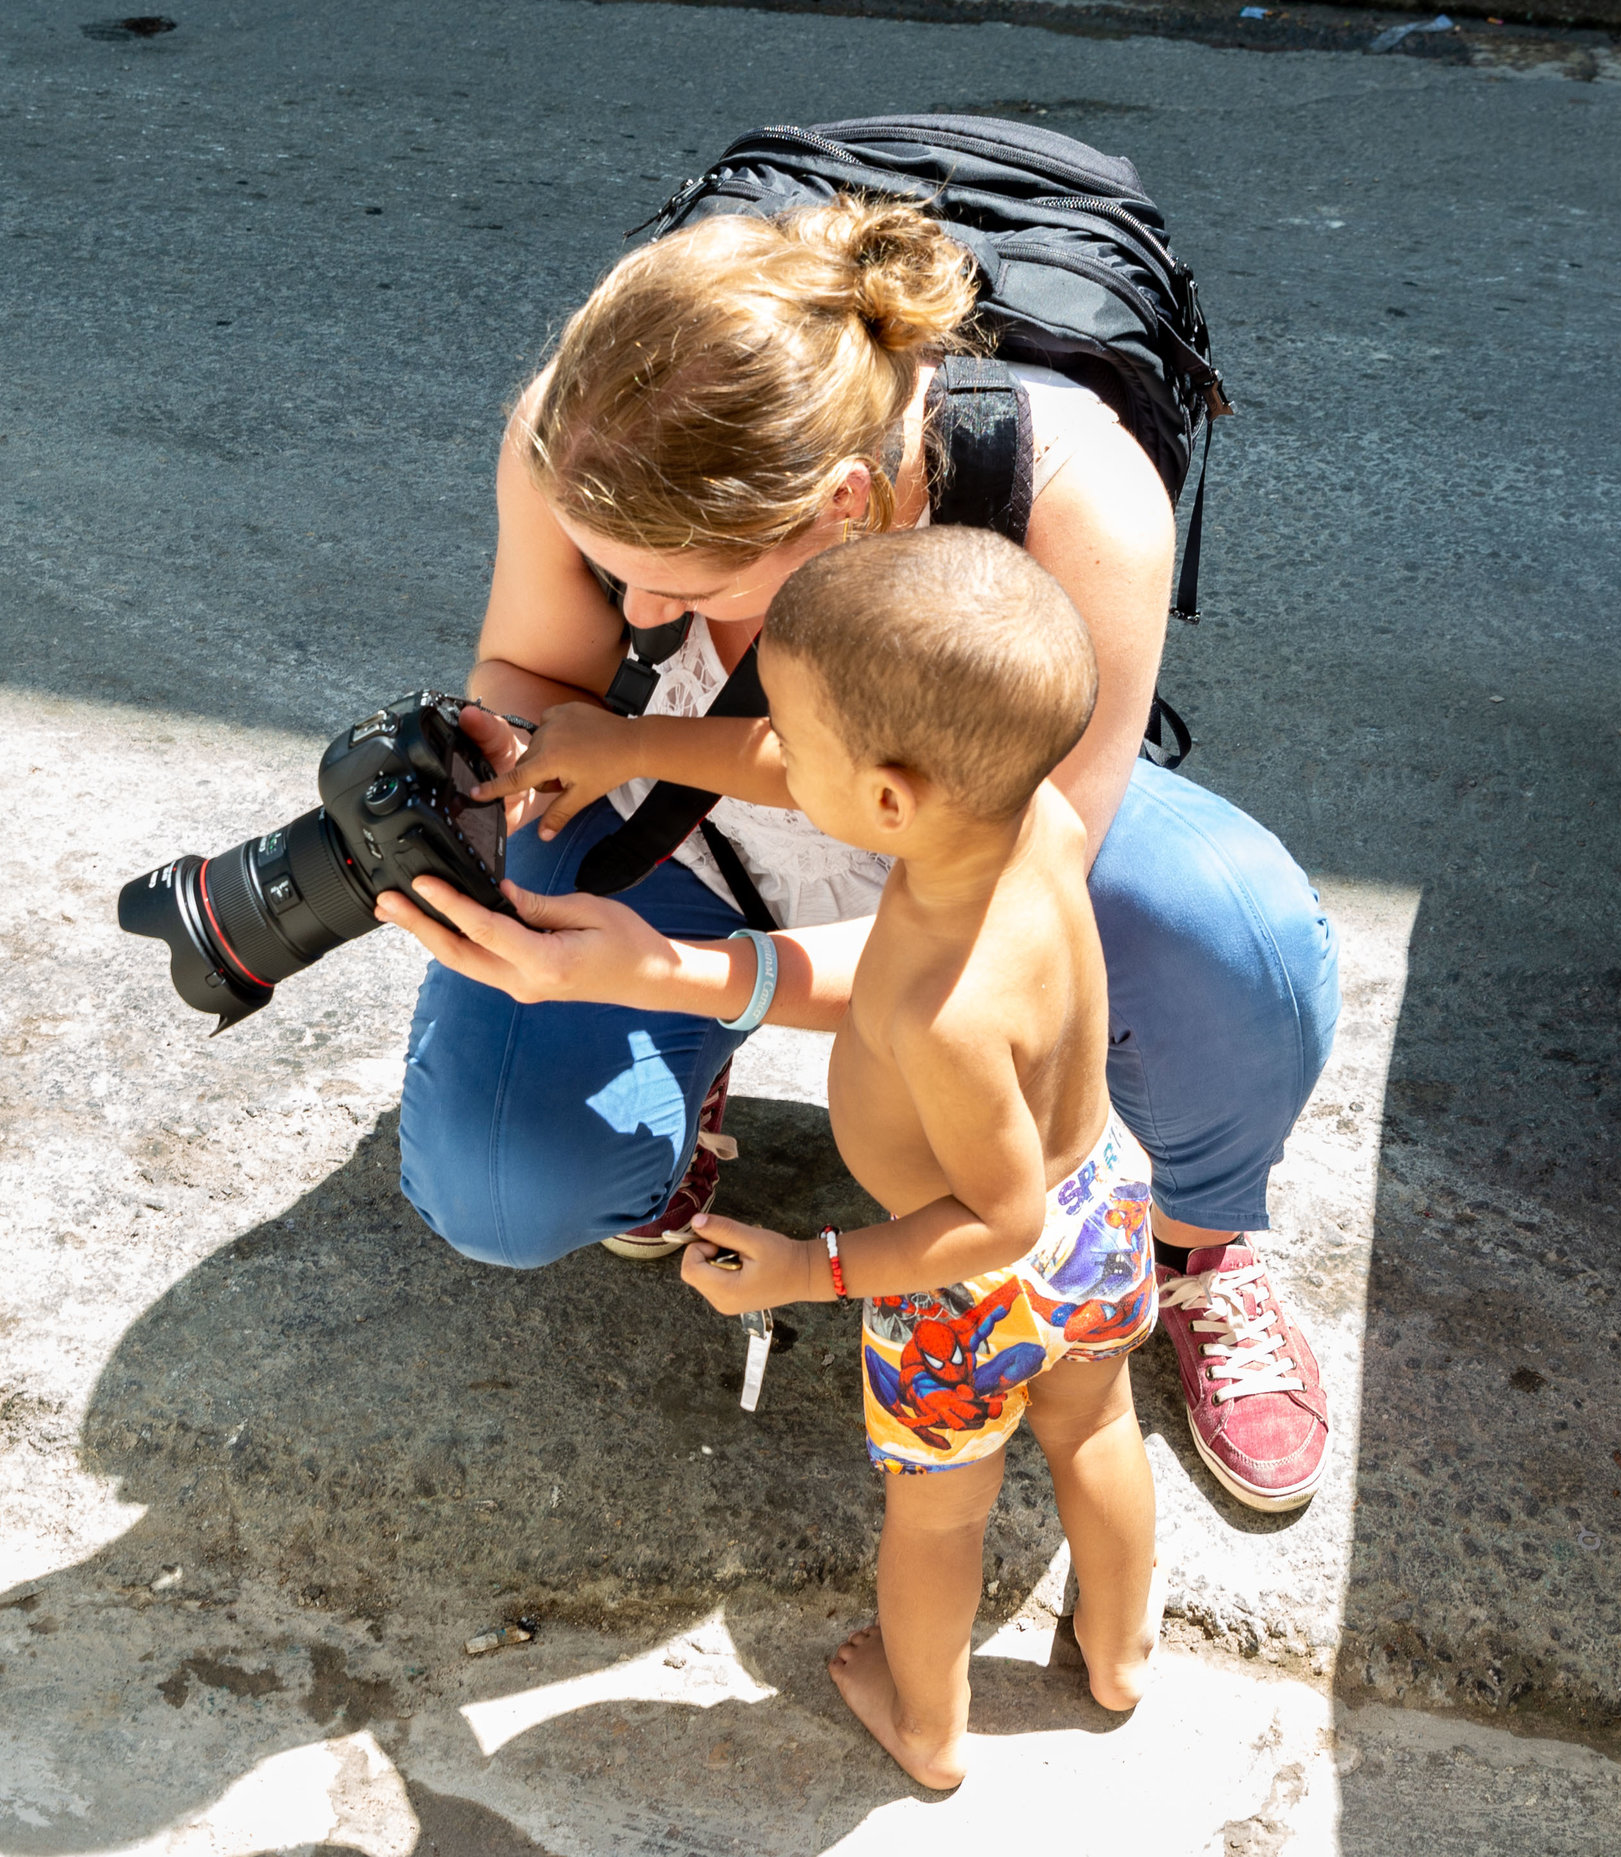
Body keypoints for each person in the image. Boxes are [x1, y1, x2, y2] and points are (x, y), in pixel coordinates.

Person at [375, 196, 1340, 1514]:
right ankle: (661, 1108)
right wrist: (505, 757)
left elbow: (1000, 918)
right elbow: (542, 674)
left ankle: (1194, 1238)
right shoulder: (586, 432)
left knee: (1229, 929)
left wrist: (676, 975)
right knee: (498, 1182)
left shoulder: (1077, 491)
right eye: (615, 575)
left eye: (689, 594)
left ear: (840, 505)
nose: (638, 616)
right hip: (679, 804)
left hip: (977, 845)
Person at [684, 526, 1160, 1787]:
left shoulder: (942, 1011)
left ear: (891, 799)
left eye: (788, 731)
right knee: (1096, 1424)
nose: (773, 754)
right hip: (1103, 1201)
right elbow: (851, 775)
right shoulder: (1038, 814)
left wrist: (810, 1267)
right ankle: (1116, 1657)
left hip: (970, 1277)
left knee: (940, 1512)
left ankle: (928, 1727)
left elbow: (992, 1221)